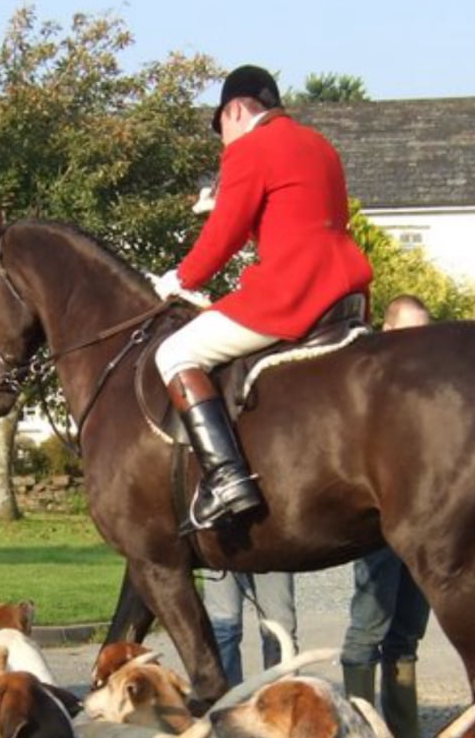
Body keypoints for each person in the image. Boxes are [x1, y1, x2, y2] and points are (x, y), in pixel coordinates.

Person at [153, 64, 374, 531]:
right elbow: (295, 209)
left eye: (221, 129)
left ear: (234, 110)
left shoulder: (251, 148)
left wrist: (181, 277)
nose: (223, 142)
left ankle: (226, 477)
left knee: (175, 352)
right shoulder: (319, 144)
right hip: (347, 293)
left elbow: (222, 237)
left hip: (293, 293)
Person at [342, 294, 435, 738]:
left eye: (425, 334)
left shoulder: (433, 388)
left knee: (409, 630)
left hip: (424, 524)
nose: (419, 344)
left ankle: (405, 733)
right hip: (379, 523)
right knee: (368, 627)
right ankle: (360, 733)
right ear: (388, 330)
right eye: (410, 333)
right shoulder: (369, 383)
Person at [204, 570, 298, 686]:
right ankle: (226, 697)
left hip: (271, 555)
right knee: (224, 629)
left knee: (280, 632)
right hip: (220, 557)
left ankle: (282, 693)